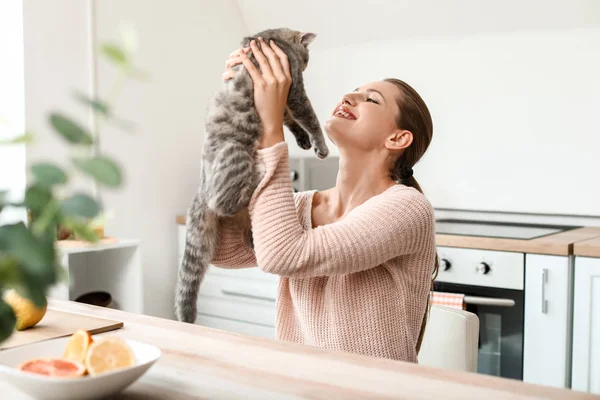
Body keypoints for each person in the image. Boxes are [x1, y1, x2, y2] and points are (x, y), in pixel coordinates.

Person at [213, 37, 438, 363]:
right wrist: (243, 118)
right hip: (304, 385)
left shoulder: (406, 208)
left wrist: (272, 129)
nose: (349, 96)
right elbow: (215, 246)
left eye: (371, 99)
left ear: (397, 138)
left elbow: (283, 255)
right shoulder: (302, 206)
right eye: (354, 90)